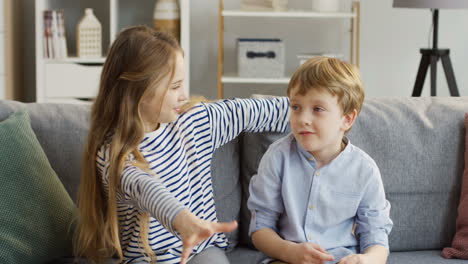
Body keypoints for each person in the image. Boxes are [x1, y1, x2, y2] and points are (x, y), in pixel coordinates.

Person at [74, 25, 290, 264]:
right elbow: (145, 188)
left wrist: (323, 113)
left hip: (201, 253)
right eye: (175, 86)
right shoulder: (114, 153)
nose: (184, 95)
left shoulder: (196, 122)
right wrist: (183, 220)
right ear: (137, 91)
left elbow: (261, 111)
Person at [247, 57, 393, 264]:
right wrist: (289, 252)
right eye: (296, 107)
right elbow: (260, 229)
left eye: (317, 109)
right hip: (287, 259)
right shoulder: (277, 157)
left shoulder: (365, 170)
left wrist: (367, 259)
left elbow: (376, 235)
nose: (303, 118)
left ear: (347, 119)